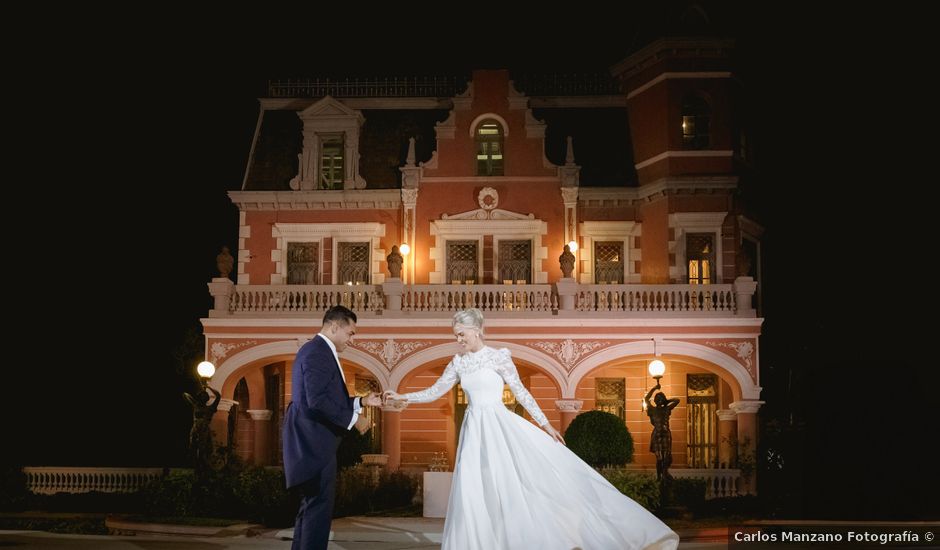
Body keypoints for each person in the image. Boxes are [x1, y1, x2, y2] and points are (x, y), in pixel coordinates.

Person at [384, 308, 679, 550]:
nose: (458, 339)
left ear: (477, 330)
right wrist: (403, 396)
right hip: (474, 430)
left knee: (514, 483)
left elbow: (522, 393)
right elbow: (434, 391)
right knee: (476, 487)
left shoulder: (499, 356)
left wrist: (547, 424)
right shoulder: (458, 363)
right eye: (456, 335)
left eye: (461, 333)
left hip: (500, 425)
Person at [283, 305, 383, 550]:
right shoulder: (317, 352)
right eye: (350, 333)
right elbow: (317, 401)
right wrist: (354, 420)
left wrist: (362, 401)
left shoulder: (318, 351)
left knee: (310, 508)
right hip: (313, 443)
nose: (352, 339)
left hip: (313, 442)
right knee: (317, 510)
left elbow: (327, 398)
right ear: (334, 326)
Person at [645, 382, 680, 482]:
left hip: (666, 434)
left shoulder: (667, 408)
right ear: (655, 401)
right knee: (659, 457)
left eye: (661, 398)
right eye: (658, 398)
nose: (659, 400)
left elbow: (677, 400)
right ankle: (659, 477)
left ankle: (664, 474)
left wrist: (667, 401)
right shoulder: (652, 409)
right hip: (657, 434)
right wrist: (654, 388)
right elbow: (646, 399)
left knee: (667, 456)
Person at [183, 385, 222, 476]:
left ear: (207, 398)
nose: (202, 397)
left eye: (204, 396)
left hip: (204, 430)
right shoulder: (196, 405)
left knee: (202, 449)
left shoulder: (211, 408)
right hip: (195, 428)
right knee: (192, 447)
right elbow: (185, 395)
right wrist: (199, 392)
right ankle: (194, 466)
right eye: (201, 396)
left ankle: (203, 467)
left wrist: (208, 387)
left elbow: (218, 396)